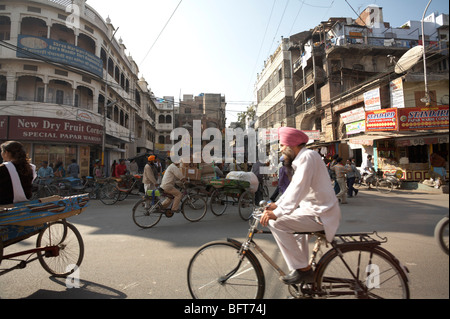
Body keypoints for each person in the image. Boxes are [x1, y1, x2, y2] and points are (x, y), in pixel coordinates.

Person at [260, 127, 341, 285]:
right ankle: (303, 276)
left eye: (283, 145)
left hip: (320, 214)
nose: (282, 150)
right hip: (314, 211)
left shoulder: (307, 157)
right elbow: (293, 189)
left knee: (276, 222)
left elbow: (299, 188)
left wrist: (278, 212)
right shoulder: (304, 157)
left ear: (291, 145)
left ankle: (303, 270)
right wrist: (277, 205)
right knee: (296, 235)